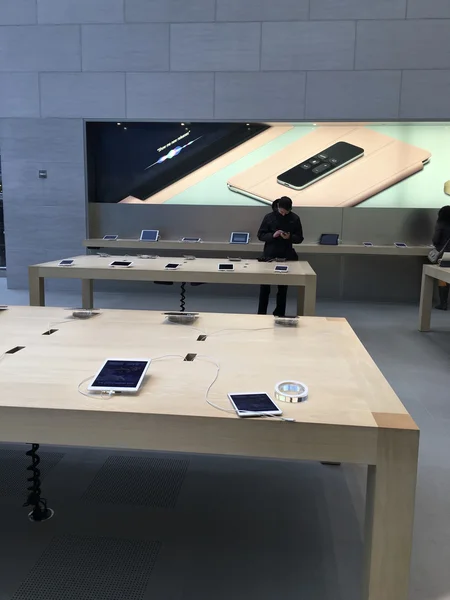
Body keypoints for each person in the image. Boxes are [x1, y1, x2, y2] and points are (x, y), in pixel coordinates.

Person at [257, 196, 304, 316]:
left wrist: (289, 237)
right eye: (282, 212)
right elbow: (260, 235)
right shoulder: (269, 217)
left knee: (282, 289)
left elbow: (299, 238)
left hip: (286, 256)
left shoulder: (295, 218)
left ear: (290, 209)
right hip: (269, 256)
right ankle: (261, 313)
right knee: (265, 288)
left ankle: (280, 313)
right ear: (278, 207)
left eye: (286, 212)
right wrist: (273, 235)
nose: (283, 214)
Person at [432, 205, 450, 310]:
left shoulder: (441, 224)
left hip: (445, 255)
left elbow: (435, 240)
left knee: (442, 279)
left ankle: (443, 303)